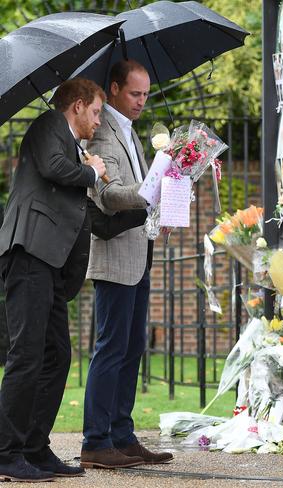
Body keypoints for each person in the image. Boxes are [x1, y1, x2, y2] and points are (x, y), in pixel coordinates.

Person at [0, 78, 107, 482]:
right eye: (96, 112)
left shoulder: (72, 147)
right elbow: (53, 168)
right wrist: (92, 171)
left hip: (49, 263)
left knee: (56, 354)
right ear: (77, 106)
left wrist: (142, 210)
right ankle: (5, 451)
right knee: (27, 354)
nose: (98, 121)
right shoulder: (49, 125)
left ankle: (33, 446)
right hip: (29, 253)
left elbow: (81, 210)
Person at [80, 60, 172, 469]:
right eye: (135, 94)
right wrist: (157, 187)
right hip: (115, 256)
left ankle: (121, 434)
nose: (141, 102)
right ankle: (96, 441)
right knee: (111, 348)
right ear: (114, 88)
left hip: (138, 252)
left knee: (132, 347)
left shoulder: (130, 132)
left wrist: (166, 198)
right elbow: (111, 196)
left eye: (146, 95)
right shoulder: (101, 132)